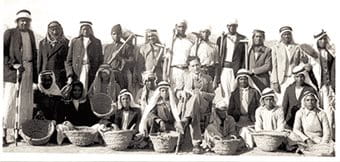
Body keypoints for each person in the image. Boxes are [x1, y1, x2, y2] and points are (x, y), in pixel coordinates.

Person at [3, 9, 38, 144]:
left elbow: (34, 55)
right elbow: (3, 52)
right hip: (14, 73)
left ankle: (20, 133)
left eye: (27, 21)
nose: (24, 22)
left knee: (25, 103)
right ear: (17, 22)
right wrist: (14, 64)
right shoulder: (10, 33)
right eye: (21, 20)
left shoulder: (31, 34)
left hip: (28, 71)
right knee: (10, 103)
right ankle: (3, 133)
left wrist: (35, 77)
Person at [175, 56, 214, 154]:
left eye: (197, 65)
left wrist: (201, 94)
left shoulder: (207, 78)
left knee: (196, 97)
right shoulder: (184, 76)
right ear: (189, 67)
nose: (195, 68)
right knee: (194, 111)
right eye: (193, 66)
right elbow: (177, 91)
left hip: (203, 105)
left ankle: (185, 120)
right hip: (187, 104)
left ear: (200, 65)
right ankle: (196, 144)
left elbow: (212, 95)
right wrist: (181, 93)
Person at [309, 30, 335, 139]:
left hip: (328, 86)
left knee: (329, 111)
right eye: (320, 39)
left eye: (325, 39)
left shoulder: (331, 53)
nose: (323, 41)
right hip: (316, 86)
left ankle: (329, 136)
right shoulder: (311, 54)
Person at [65, 21, 103, 97]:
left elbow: (100, 60)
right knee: (77, 91)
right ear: (81, 30)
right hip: (77, 70)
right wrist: (70, 75)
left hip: (91, 71)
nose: (85, 31)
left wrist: (98, 72)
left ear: (91, 30)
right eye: (83, 29)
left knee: (89, 91)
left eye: (87, 29)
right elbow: (68, 60)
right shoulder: (75, 41)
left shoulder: (96, 42)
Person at [271, 26, 307, 103]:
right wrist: (275, 82)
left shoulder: (297, 47)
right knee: (281, 101)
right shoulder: (276, 47)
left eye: (288, 34)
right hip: (281, 79)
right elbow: (274, 66)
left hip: (293, 78)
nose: (287, 36)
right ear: (281, 36)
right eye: (284, 34)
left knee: (293, 100)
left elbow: (301, 62)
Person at [215, 18, 247, 105]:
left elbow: (244, 57)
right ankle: (226, 113)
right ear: (227, 27)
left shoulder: (242, 39)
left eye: (234, 26)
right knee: (225, 92)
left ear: (237, 27)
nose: (232, 28)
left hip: (235, 70)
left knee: (234, 90)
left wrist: (242, 70)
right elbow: (218, 56)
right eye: (230, 26)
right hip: (224, 69)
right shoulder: (221, 39)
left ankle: (234, 112)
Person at [227, 69, 261, 148]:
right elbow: (230, 110)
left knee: (248, 131)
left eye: (245, 79)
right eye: (241, 79)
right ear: (238, 80)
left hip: (252, 120)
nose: (243, 81)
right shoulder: (234, 94)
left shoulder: (255, 92)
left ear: (248, 80)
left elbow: (260, 107)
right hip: (238, 119)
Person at [38, 21, 69, 88]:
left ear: (61, 30)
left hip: (59, 77)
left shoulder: (66, 43)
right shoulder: (42, 43)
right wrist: (37, 77)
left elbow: (67, 61)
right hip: (45, 76)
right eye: (52, 30)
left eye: (57, 29)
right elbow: (39, 62)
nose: (55, 32)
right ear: (48, 31)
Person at [103, 24, 134, 90]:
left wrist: (119, 58)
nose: (116, 36)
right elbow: (104, 62)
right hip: (109, 74)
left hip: (121, 75)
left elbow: (132, 61)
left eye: (118, 34)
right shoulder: (107, 47)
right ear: (111, 35)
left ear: (121, 35)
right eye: (114, 34)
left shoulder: (126, 47)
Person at [167, 20, 193, 87]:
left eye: (183, 27)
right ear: (176, 27)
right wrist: (166, 74)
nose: (181, 29)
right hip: (174, 70)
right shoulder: (170, 41)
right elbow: (166, 60)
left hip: (186, 70)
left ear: (186, 28)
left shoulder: (190, 42)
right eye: (179, 27)